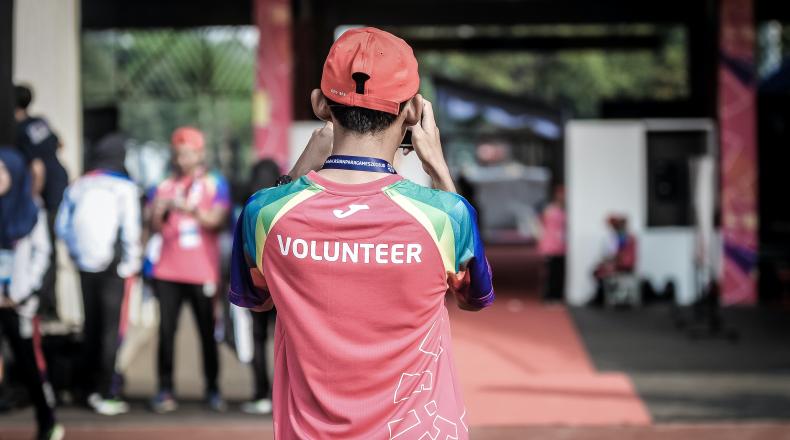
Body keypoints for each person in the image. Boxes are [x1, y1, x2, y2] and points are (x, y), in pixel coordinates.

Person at [230, 28, 494, 439]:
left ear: (319, 103)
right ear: (412, 112)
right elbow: (474, 298)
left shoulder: (264, 213)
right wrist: (439, 170)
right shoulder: (446, 215)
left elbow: (258, 301)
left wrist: (297, 174)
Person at [55, 133, 141, 415]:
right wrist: (130, 264)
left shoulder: (79, 185)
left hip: (85, 267)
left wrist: (76, 256)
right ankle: (105, 391)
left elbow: (62, 226)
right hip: (114, 269)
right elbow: (131, 230)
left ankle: (85, 389)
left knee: (90, 326)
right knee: (110, 331)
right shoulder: (124, 187)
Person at [147, 127, 230, 413]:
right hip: (167, 271)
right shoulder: (163, 184)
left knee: (207, 332)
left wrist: (190, 208)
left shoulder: (213, 183)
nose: (182, 158)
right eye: (178, 153)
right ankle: (165, 388)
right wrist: (159, 210)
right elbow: (153, 225)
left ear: (199, 153)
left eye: (188, 153)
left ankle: (213, 388)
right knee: (166, 332)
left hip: (202, 271)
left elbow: (217, 220)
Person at [0, 148, 64, 440]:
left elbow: (42, 255)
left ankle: (47, 422)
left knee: (30, 363)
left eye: (2, 171)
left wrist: (24, 293)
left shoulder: (31, 209)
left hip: (21, 302)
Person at [14, 84, 69, 319]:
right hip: (60, 187)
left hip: (46, 194)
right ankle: (50, 305)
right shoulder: (39, 122)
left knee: (43, 249)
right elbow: (59, 143)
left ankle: (45, 306)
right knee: (51, 250)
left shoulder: (18, 129)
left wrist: (33, 199)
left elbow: (37, 169)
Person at [238, 159, 280, 415]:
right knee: (288, 341)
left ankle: (260, 392)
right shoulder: (284, 202)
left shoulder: (251, 203)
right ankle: (283, 393)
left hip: (257, 283)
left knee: (257, 338)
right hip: (283, 287)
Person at [539, 185, 566, 303]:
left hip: (561, 246)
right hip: (550, 246)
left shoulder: (563, 210)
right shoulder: (550, 210)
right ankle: (549, 296)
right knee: (550, 272)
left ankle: (556, 295)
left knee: (558, 272)